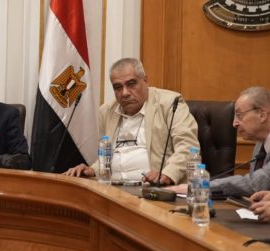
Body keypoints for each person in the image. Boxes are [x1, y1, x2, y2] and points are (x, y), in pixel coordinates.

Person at [64, 58, 198, 185]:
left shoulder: (170, 103)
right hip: (112, 190)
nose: (125, 93)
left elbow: (188, 147)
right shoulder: (106, 111)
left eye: (131, 84)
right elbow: (106, 157)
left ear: (145, 81)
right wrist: (92, 170)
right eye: (118, 87)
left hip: (154, 190)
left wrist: (167, 174)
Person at [169, 86, 270, 197]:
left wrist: (201, 186)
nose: (234, 124)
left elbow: (255, 184)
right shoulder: (260, 145)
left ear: (262, 115)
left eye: (239, 115)